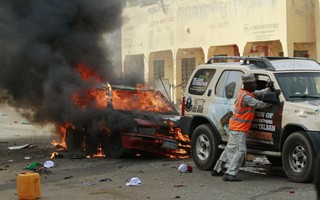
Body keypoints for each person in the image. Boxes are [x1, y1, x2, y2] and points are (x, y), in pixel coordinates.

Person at [211, 73, 280, 181]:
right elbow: (258, 104)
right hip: (239, 128)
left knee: (229, 149)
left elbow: (259, 93)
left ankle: (217, 169)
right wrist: (273, 100)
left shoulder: (245, 93)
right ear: (247, 84)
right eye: (253, 84)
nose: (255, 86)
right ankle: (230, 173)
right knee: (241, 150)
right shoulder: (246, 96)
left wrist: (269, 88)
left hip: (235, 126)